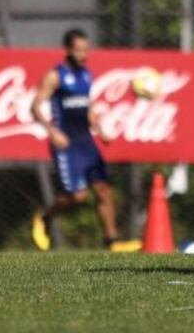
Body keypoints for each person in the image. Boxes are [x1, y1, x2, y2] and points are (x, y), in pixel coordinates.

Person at [30, 28, 141, 252]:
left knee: (103, 191)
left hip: (86, 142)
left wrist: (100, 131)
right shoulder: (55, 75)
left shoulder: (86, 74)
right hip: (66, 144)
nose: (83, 55)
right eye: (79, 50)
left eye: (86, 50)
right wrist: (52, 132)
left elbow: (87, 107)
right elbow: (34, 106)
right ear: (68, 50)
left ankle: (112, 241)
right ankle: (44, 217)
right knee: (77, 197)